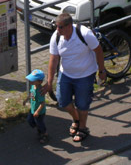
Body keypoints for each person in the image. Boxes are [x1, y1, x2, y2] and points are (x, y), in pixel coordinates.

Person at [45, 12, 107, 143]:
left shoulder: (84, 34)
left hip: (85, 75)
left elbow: (98, 50)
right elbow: (54, 59)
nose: (57, 29)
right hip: (66, 74)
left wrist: (101, 70)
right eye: (56, 26)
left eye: (60, 27)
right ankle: (76, 119)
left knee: (82, 104)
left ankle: (83, 128)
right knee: (63, 101)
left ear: (69, 26)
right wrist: (49, 81)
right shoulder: (56, 37)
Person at [25, 69, 48, 144]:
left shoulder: (40, 91)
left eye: (33, 80)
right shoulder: (33, 86)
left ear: (40, 81)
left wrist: (37, 112)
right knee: (29, 120)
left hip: (39, 112)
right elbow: (31, 94)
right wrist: (26, 100)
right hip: (33, 109)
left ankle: (44, 134)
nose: (31, 81)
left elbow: (42, 103)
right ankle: (39, 129)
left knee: (40, 123)